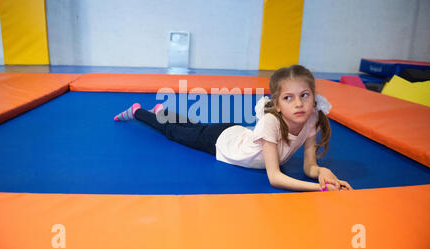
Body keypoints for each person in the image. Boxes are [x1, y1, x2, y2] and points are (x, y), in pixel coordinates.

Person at [114, 65, 353, 192]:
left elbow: (309, 166)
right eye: (289, 98)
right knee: (175, 133)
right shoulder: (271, 122)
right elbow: (275, 177)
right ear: (277, 104)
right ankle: (138, 111)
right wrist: (319, 190)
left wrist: (323, 174)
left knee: (194, 127)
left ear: (313, 96)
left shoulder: (312, 118)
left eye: (304, 95)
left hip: (236, 132)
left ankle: (162, 112)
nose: (299, 103)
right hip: (221, 143)